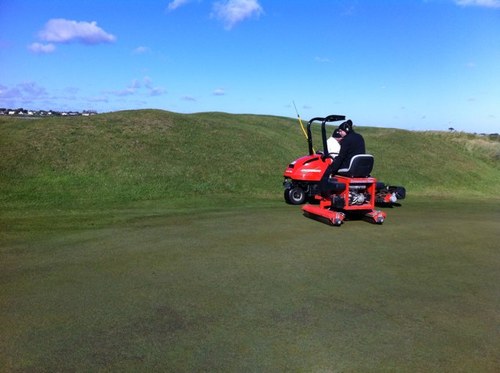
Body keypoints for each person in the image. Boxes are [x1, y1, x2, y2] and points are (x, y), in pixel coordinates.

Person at [320, 119, 365, 190]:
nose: (340, 133)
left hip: (349, 167)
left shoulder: (346, 140)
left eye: (340, 131)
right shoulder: (360, 137)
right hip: (360, 168)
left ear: (346, 130)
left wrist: (332, 169)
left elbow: (341, 157)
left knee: (328, 170)